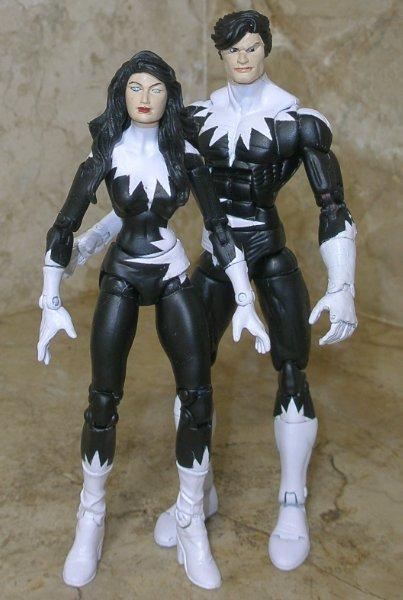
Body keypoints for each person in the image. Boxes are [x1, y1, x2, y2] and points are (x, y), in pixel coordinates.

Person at [74, 10, 358, 573]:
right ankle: (196, 495)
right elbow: (141, 190)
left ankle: (292, 499)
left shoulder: (298, 122)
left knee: (293, 367)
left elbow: (333, 206)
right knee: (193, 371)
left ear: (266, 49)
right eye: (233, 50)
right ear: (221, 55)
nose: (243, 58)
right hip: (215, 260)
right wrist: (90, 240)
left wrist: (343, 284)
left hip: (267, 253)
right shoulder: (194, 119)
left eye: (252, 47)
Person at [37, 50, 269, 590]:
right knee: (103, 399)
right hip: (121, 274)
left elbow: (219, 228)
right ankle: (91, 515)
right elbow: (63, 227)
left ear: (170, 96)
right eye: (135, 87)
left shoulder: (186, 155)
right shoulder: (104, 154)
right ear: (122, 94)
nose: (145, 97)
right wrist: (50, 300)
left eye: (156, 88)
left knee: (198, 395)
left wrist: (244, 298)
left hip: (170, 272)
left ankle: (190, 518)